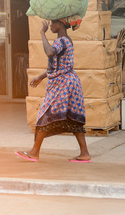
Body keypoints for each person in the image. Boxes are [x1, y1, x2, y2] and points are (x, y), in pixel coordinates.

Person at [15, 16, 91, 163]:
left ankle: (34, 152)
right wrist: (41, 77)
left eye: (52, 24)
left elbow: (49, 52)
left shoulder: (61, 41)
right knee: (73, 118)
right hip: (68, 83)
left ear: (61, 24)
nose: (50, 26)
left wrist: (42, 33)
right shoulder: (66, 40)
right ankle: (85, 153)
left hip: (63, 84)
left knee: (46, 114)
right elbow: (57, 65)